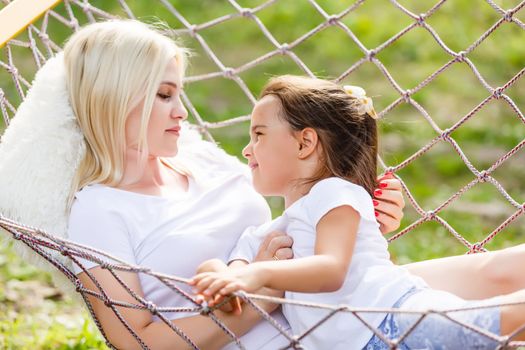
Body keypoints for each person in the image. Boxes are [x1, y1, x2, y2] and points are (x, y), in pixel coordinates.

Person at [5, 18, 516, 349]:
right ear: (115, 98)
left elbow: (296, 217)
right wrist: (263, 294)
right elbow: (138, 343)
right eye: (163, 95)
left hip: (330, 302)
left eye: (178, 93)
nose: (182, 113)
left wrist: (358, 218)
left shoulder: (201, 163)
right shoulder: (100, 210)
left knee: (499, 271)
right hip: (300, 328)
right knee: (487, 328)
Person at [190, 76, 525, 349]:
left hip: (394, 318)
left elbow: (331, 269)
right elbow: (235, 269)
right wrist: (218, 274)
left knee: (507, 320)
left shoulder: (335, 193)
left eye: (259, 134)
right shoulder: (267, 234)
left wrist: (259, 275)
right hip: (368, 341)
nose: (248, 149)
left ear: (305, 143)